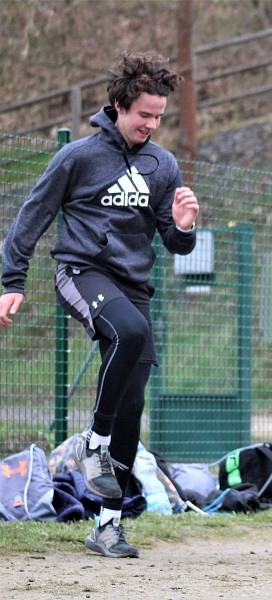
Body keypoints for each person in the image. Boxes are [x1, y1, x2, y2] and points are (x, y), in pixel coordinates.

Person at [0, 51, 199, 558]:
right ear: (117, 106)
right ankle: (94, 442)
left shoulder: (163, 164)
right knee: (128, 334)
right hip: (80, 272)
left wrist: (182, 226)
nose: (152, 125)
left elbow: (174, 247)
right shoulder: (78, 158)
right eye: (143, 116)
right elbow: (32, 215)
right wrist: (11, 280)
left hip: (133, 289)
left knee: (133, 404)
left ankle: (107, 526)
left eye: (159, 117)